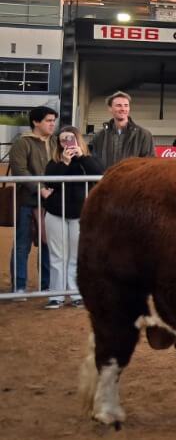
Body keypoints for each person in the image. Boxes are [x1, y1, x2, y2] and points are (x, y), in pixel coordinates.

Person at [40, 126, 102, 308]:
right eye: (62, 140)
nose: (66, 143)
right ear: (59, 144)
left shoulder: (88, 160)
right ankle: (57, 295)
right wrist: (65, 163)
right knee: (57, 255)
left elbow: (99, 173)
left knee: (76, 256)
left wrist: (82, 156)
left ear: (77, 139)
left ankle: (75, 294)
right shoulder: (54, 162)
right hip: (55, 213)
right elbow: (50, 179)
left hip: (80, 213)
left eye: (70, 139)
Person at [9, 105, 57, 293]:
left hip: (51, 204)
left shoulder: (55, 142)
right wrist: (41, 189)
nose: (52, 124)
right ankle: (19, 286)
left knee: (48, 245)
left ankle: (46, 285)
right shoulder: (23, 142)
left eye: (54, 120)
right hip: (27, 202)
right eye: (48, 120)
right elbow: (19, 170)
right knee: (23, 245)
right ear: (36, 122)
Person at [88, 92, 155, 171]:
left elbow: (149, 164)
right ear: (110, 108)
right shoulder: (99, 136)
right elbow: (93, 162)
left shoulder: (144, 135)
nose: (123, 109)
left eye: (126, 105)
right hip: (107, 181)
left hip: (132, 182)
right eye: (119, 105)